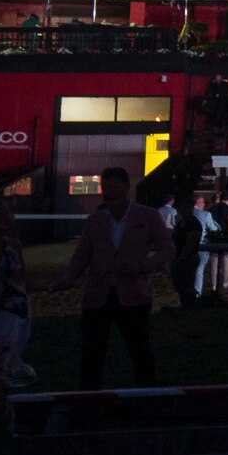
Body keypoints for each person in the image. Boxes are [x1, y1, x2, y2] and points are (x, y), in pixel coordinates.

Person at [69, 166, 168, 389]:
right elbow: (81, 255)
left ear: (126, 188)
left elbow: (166, 250)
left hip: (132, 293)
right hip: (99, 294)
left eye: (112, 187)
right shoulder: (95, 221)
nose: (107, 192)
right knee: (93, 350)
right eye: (105, 188)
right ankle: (90, 395)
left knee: (139, 347)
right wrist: (67, 279)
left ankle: (146, 393)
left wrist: (142, 266)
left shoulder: (148, 216)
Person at [0, 197, 34, 387]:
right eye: (6, 212)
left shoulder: (13, 246)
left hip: (9, 316)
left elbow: (21, 280)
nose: (11, 217)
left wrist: (52, 286)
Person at [167, 187, 207, 309]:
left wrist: (180, 259)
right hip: (180, 257)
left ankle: (189, 307)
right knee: (181, 285)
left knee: (187, 285)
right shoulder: (182, 223)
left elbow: (189, 244)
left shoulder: (193, 224)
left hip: (187, 259)